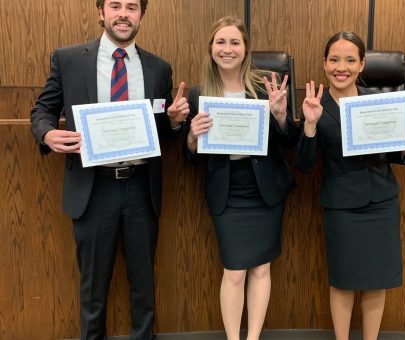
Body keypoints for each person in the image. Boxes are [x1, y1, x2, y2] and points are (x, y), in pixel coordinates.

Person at [30, 0, 189, 338]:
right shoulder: (69, 59)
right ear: (100, 12)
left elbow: (159, 133)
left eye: (132, 7)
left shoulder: (160, 69)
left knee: (144, 287)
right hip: (93, 188)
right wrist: (47, 133)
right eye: (115, 5)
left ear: (141, 15)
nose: (123, 14)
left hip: (141, 188)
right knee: (93, 289)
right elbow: (42, 110)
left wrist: (174, 123)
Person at [295, 31, 405, 340]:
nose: (342, 67)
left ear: (362, 64)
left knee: (376, 280)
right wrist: (310, 125)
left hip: (381, 201)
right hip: (342, 205)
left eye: (351, 60)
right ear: (324, 63)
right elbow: (303, 165)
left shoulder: (378, 102)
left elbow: (390, 152)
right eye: (335, 60)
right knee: (343, 281)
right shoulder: (316, 104)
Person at [184, 16, 299, 340]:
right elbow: (190, 156)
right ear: (211, 49)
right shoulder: (198, 94)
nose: (227, 48)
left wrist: (280, 116)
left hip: (264, 189)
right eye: (221, 42)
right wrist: (192, 136)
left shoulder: (266, 87)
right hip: (227, 190)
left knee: (262, 268)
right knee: (234, 271)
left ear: (245, 49)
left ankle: (253, 337)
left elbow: (290, 141)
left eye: (235, 42)